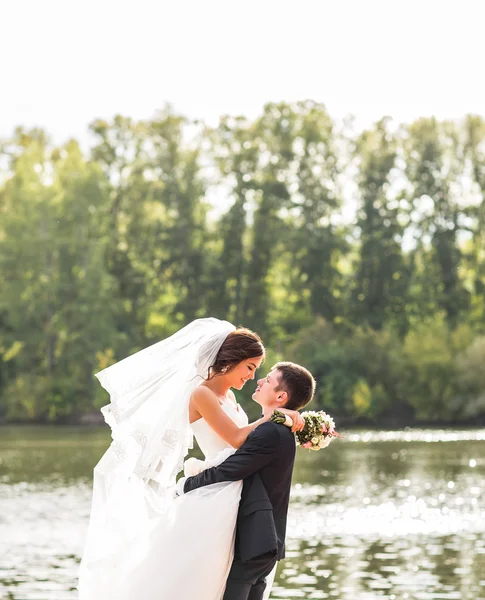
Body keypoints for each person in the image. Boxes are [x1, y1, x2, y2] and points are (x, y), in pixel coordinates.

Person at [77, 318, 303, 600]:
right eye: (249, 367)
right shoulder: (202, 394)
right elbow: (234, 438)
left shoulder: (230, 397)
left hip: (237, 489)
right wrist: (275, 417)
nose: (251, 376)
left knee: (230, 574)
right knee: (200, 575)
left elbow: (244, 439)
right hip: (217, 490)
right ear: (230, 360)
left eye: (256, 370)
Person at [180, 361, 316, 600]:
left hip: (254, 539)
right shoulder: (279, 430)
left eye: (268, 380)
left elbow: (228, 470)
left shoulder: (270, 432)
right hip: (263, 540)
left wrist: (186, 485)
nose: (259, 380)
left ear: (281, 396)